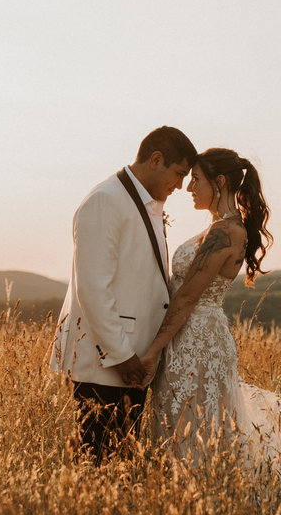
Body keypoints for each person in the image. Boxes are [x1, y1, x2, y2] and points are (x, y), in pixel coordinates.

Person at [141, 148, 281, 472]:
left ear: (220, 182)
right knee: (187, 426)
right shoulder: (220, 227)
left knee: (195, 429)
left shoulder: (225, 232)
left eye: (196, 179)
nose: (189, 188)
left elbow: (186, 297)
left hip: (197, 341)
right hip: (189, 336)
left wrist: (152, 352)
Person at [50, 126, 197, 463]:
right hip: (109, 363)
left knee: (119, 464)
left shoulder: (144, 203)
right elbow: (93, 288)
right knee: (99, 464)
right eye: (178, 174)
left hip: (132, 362)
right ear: (156, 160)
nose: (180, 185)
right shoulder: (105, 201)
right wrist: (121, 355)